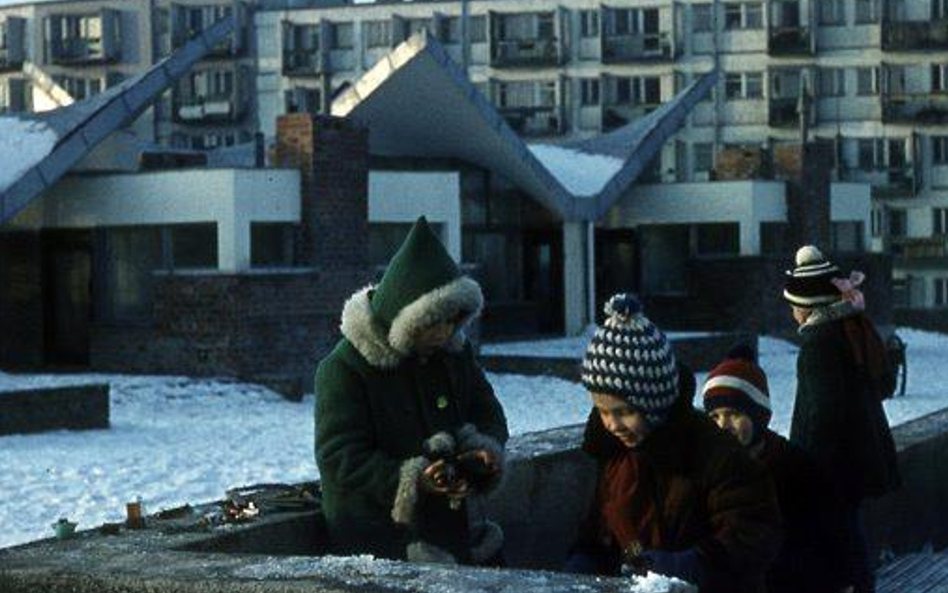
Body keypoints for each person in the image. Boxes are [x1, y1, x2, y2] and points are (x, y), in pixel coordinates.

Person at [315, 216, 509, 564]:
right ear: (405, 319)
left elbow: (488, 413)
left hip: (449, 531)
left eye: (453, 321)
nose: (445, 333)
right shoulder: (344, 368)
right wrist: (413, 478)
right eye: (433, 324)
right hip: (379, 544)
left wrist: (480, 455)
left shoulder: (453, 353)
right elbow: (340, 457)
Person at [565, 293, 781, 593]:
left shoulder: (715, 453)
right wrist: (586, 558)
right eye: (603, 411)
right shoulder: (615, 454)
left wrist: (693, 564)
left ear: (655, 403)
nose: (613, 425)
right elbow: (601, 528)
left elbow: (753, 533)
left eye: (625, 411)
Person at [784, 245, 901, 593]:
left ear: (807, 309)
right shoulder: (848, 331)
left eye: (794, 306)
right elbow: (881, 385)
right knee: (848, 529)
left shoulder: (818, 345)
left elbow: (823, 413)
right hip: (859, 457)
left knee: (839, 534)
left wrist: (806, 466)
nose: (792, 312)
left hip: (834, 465)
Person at [703, 344, 847, 593]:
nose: (723, 425)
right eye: (714, 416)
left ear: (759, 416)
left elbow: (830, 531)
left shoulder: (794, 466)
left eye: (734, 414)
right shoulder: (707, 468)